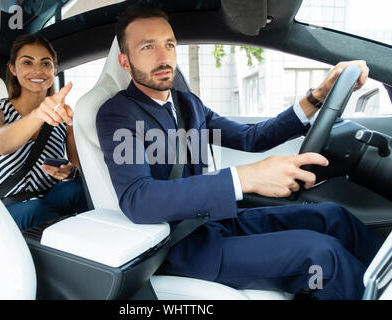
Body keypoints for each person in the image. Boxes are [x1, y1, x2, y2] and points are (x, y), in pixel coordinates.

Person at [96, 4, 384, 299]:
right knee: (321, 254)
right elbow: (138, 199)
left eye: (169, 44)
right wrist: (243, 178)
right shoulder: (118, 114)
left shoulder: (187, 104)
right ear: (125, 61)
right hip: (180, 247)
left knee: (333, 217)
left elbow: (251, 138)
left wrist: (316, 97)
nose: (163, 56)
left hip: (215, 222)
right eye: (147, 47)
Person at [0, 34, 88, 231]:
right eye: (27, 62)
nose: (38, 70)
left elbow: (79, 172)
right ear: (13, 69)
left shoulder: (64, 120)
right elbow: (1, 144)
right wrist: (39, 114)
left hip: (50, 196)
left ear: (54, 71)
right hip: (8, 204)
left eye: (46, 64)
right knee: (36, 210)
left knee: (79, 190)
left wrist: (70, 171)